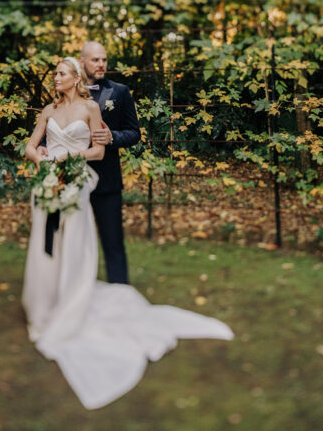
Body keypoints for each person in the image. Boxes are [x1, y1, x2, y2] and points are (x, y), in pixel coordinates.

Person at [22, 55, 233, 410]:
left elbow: (98, 149)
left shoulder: (90, 108)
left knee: (72, 243)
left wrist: (69, 161)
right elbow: (31, 146)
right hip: (48, 183)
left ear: (75, 79)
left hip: (76, 180)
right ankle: (45, 302)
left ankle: (71, 302)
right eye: (54, 73)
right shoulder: (46, 110)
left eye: (60, 74)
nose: (54, 78)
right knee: (47, 245)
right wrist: (42, 160)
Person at [37, 41, 139, 284]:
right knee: (64, 239)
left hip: (106, 181)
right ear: (82, 62)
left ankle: (120, 293)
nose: (101, 64)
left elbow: (134, 133)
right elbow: (48, 133)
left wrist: (113, 137)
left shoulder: (120, 92)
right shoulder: (63, 94)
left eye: (104, 59)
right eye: (95, 60)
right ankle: (65, 291)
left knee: (112, 240)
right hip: (66, 180)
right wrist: (43, 148)